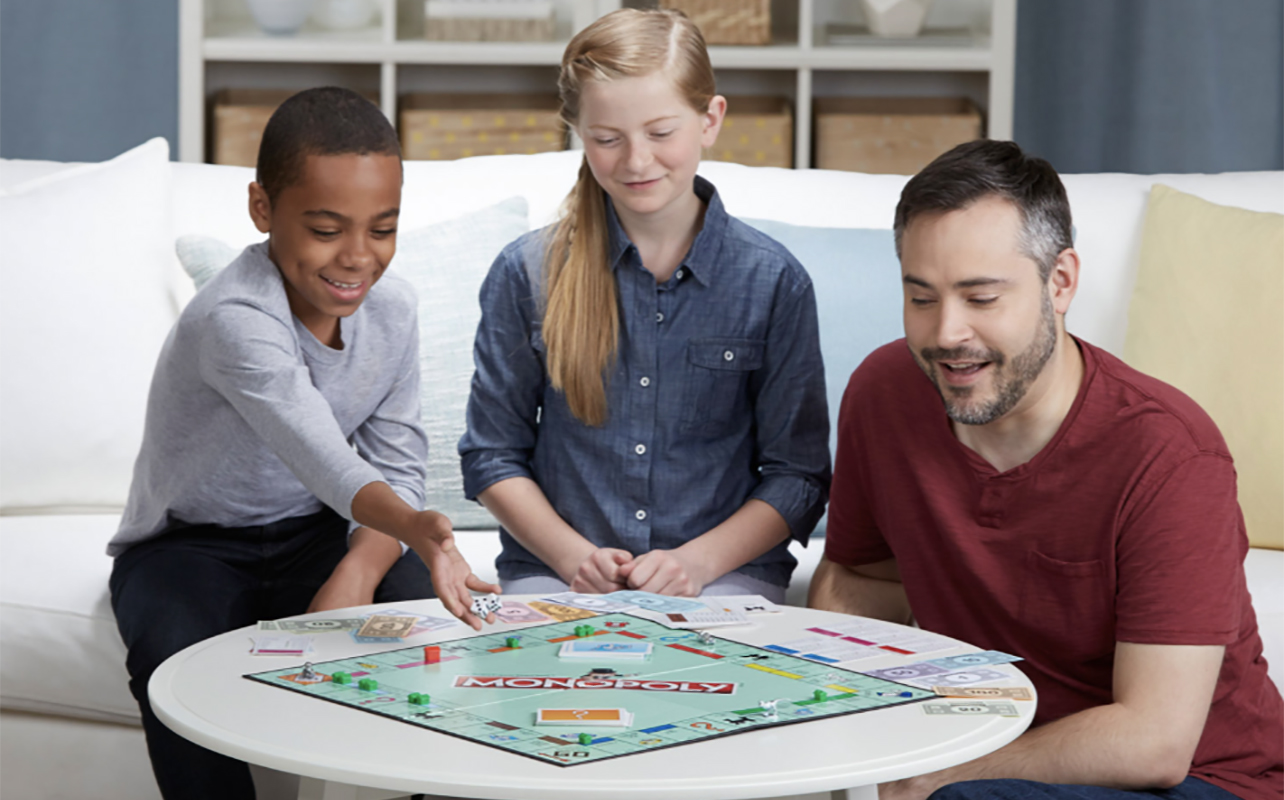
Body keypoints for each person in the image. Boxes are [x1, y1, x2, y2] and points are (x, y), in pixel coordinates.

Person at [809, 139, 1282, 800]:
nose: (946, 333)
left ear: (1060, 283)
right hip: (1002, 750)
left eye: (980, 298)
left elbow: (1156, 742)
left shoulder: (1167, 453)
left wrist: (942, 771)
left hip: (1207, 782)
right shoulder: (885, 393)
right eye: (921, 298)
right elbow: (857, 582)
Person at [108, 87, 499, 800]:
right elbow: (321, 451)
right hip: (191, 545)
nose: (357, 258)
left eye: (382, 229)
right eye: (326, 229)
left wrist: (358, 569)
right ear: (263, 210)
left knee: (428, 634)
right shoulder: (234, 318)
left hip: (321, 531)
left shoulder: (393, 309)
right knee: (173, 659)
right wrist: (416, 528)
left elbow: (397, 458)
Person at [459, 8, 830, 604]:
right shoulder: (525, 272)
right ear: (580, 132)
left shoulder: (774, 281)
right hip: (557, 571)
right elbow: (490, 455)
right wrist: (571, 557)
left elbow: (799, 477)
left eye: (661, 134)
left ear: (710, 119)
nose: (635, 162)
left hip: (720, 577)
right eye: (607, 140)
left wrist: (696, 564)